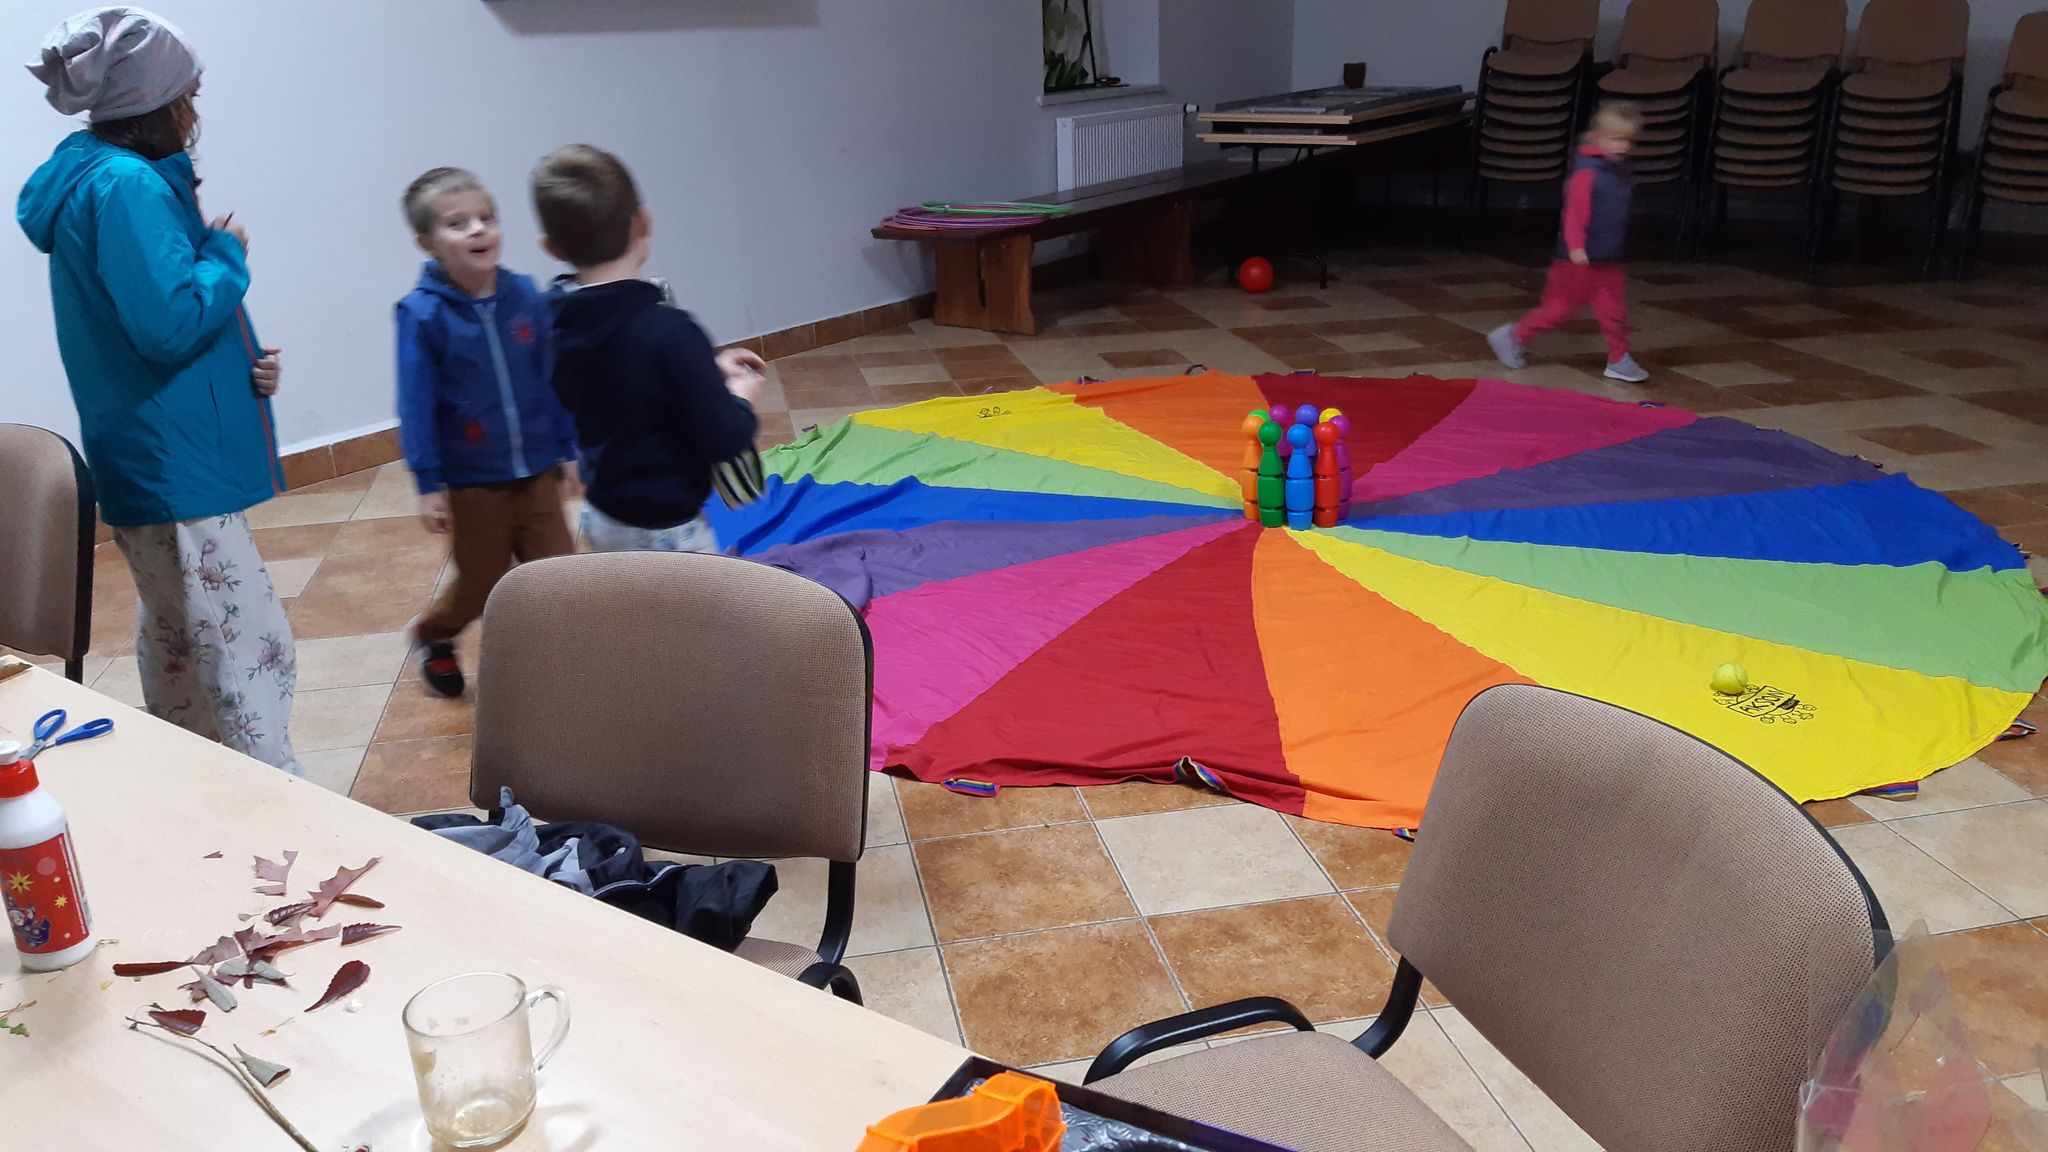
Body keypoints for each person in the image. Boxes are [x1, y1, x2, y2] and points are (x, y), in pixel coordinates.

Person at [18, 7, 301, 774]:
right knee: (246, 652)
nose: (194, 111)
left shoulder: (96, 175)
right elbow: (168, 323)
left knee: (181, 639)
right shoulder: (128, 186)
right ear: (157, 104)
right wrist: (227, 254)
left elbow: (140, 324)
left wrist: (241, 369)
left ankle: (200, 784)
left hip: (154, 456)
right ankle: (276, 801)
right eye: (188, 95)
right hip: (175, 467)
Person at [396, 167, 579, 697]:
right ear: (428, 244)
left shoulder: (525, 295)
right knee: (482, 582)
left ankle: (561, 665)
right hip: (473, 478)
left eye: (487, 217)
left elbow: (552, 375)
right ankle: (434, 633)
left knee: (559, 574)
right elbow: (415, 404)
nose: (478, 229)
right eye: (458, 224)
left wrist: (567, 447)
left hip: (538, 468)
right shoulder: (422, 314)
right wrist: (429, 483)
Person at [532, 144, 764, 554]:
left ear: (551, 247)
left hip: (603, 517)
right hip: (668, 531)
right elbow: (725, 439)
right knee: (699, 602)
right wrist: (741, 397)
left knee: (627, 597)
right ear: (644, 222)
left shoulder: (553, 322)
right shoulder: (673, 333)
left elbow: (619, 380)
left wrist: (705, 369)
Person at [1489, 101, 1650, 384]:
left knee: (1614, 311)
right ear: (1598, 137)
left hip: (1607, 257)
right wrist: (1575, 246)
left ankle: (1619, 359)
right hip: (1577, 260)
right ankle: (1513, 337)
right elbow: (1574, 213)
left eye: (1628, 140)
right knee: (1558, 309)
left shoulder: (1619, 169)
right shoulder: (1587, 173)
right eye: (1617, 139)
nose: (1624, 146)